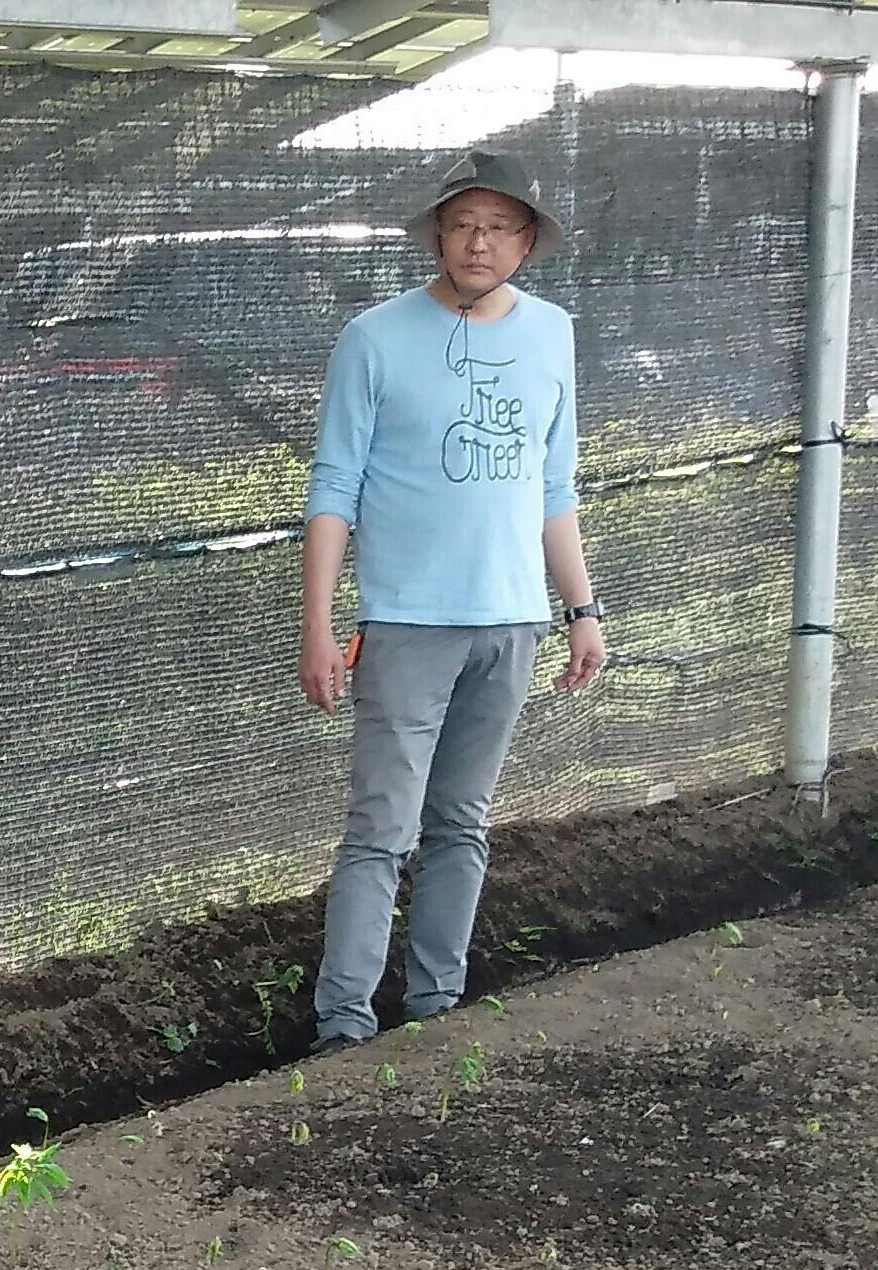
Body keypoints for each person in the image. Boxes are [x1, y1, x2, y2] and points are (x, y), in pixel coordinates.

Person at [296, 149, 613, 1053]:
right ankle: (344, 1024)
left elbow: (554, 486)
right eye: (464, 224)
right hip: (406, 624)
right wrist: (319, 625)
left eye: (501, 227)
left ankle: (437, 1008)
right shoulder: (374, 339)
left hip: (511, 622)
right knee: (381, 828)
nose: (481, 242)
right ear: (437, 234)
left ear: (528, 242)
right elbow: (335, 489)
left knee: (461, 824)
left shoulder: (552, 334)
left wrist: (581, 609)